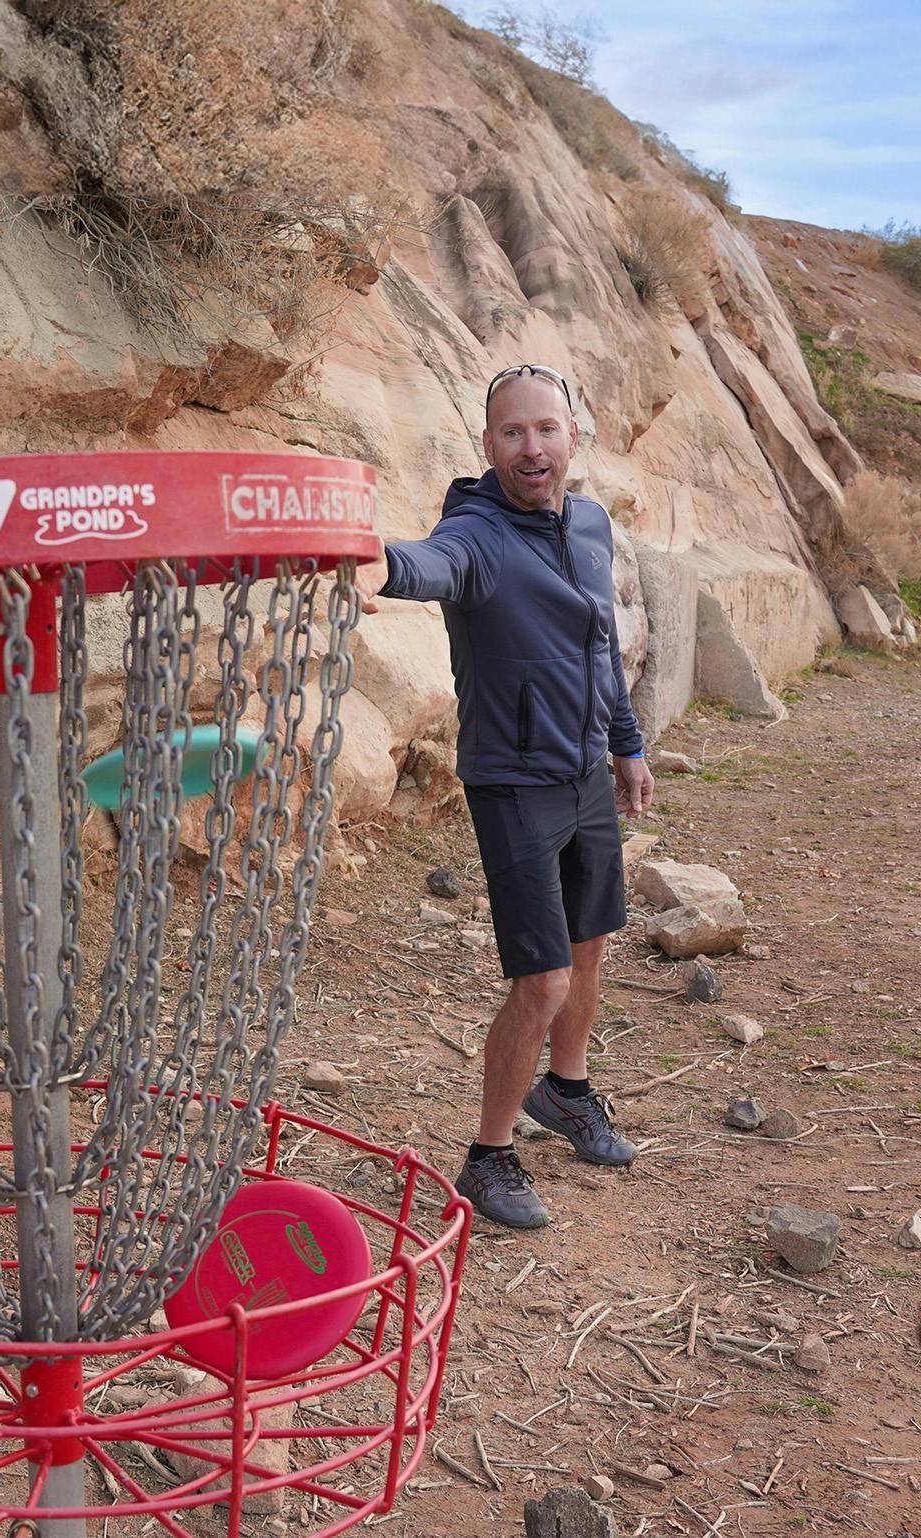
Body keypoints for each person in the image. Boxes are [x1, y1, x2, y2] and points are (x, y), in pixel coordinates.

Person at [358, 363, 654, 1229]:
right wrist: (366, 564)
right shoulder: (477, 534)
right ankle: (486, 1157)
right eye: (512, 433)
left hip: (584, 775)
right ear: (488, 446)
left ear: (572, 437)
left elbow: (600, 645)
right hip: (512, 783)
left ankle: (565, 1093)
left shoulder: (591, 525)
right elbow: (424, 563)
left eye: (546, 429)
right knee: (543, 980)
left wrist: (626, 745)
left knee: (590, 947)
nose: (531, 447)